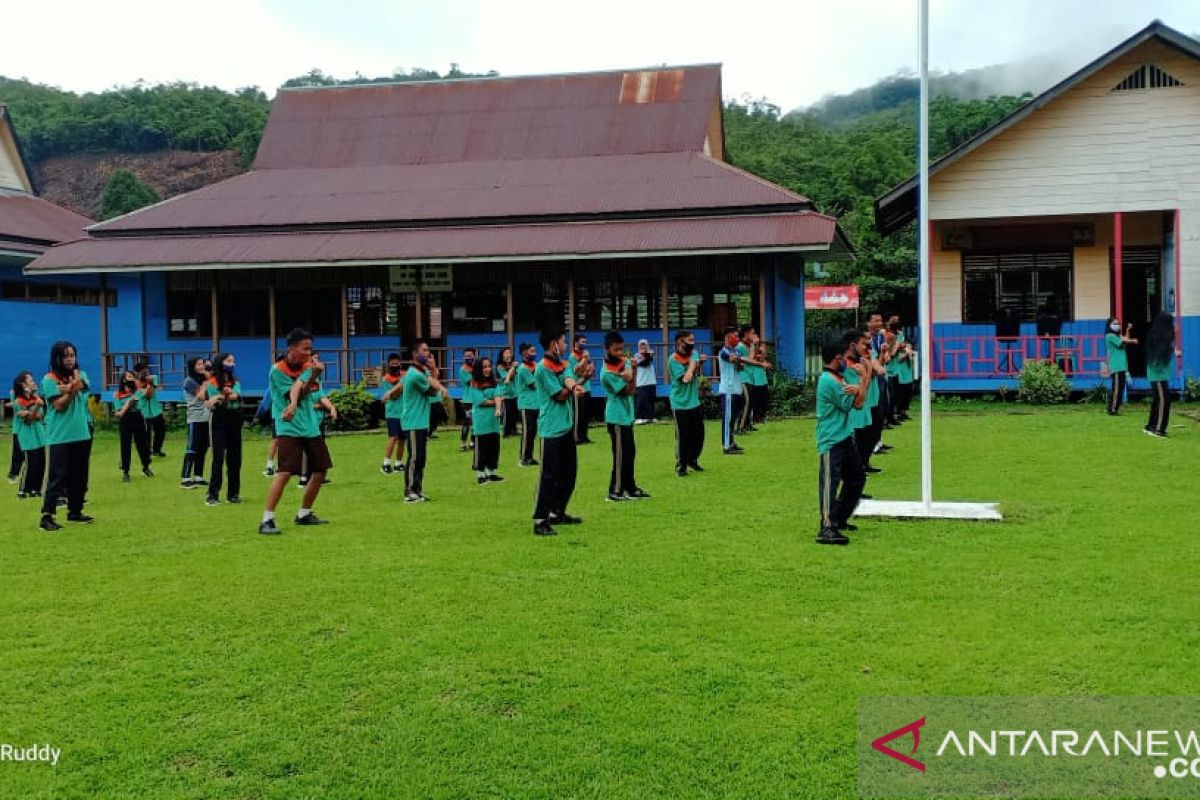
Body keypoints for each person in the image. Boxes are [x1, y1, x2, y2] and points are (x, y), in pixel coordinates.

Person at [259, 329, 334, 534]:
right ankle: (267, 519)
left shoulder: (308, 365)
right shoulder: (278, 370)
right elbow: (298, 392)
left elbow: (307, 388)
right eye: (305, 348)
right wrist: (292, 406)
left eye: (311, 348)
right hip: (288, 427)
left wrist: (314, 374)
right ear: (292, 349)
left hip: (309, 425)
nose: (309, 352)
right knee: (284, 472)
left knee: (320, 469)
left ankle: (304, 513)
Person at [815, 340, 869, 546]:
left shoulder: (840, 378)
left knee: (856, 479)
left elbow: (858, 397)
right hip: (831, 440)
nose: (848, 361)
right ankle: (826, 527)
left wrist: (859, 385)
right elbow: (857, 404)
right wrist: (863, 380)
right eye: (845, 357)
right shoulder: (829, 381)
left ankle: (839, 517)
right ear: (837, 358)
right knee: (830, 483)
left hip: (845, 437)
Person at [532, 328, 584, 536]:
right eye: (563, 342)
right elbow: (559, 396)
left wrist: (576, 385)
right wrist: (573, 388)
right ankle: (540, 519)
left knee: (569, 474)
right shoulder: (542, 369)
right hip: (550, 429)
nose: (565, 345)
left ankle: (558, 512)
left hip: (566, 427)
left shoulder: (564, 364)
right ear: (553, 344)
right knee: (548, 476)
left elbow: (569, 379)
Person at [39, 341, 93, 531]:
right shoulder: (48, 379)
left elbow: (82, 384)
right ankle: (47, 516)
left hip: (81, 432)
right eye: (66, 356)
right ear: (57, 358)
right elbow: (59, 405)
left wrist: (69, 388)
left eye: (72, 355)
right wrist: (71, 390)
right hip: (60, 435)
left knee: (80, 474)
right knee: (57, 476)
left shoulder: (81, 374)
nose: (70, 359)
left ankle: (75, 510)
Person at [600, 331, 649, 502]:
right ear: (606, 349)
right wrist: (631, 375)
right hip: (616, 418)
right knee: (620, 456)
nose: (620, 353)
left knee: (630, 453)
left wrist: (632, 371)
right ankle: (615, 491)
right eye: (616, 350)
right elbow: (629, 390)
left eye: (621, 349)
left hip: (626, 416)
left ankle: (630, 487)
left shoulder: (624, 362)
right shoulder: (606, 373)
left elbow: (631, 382)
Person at [400, 339, 449, 503]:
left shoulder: (422, 371)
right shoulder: (414, 374)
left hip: (421, 421)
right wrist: (437, 381)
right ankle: (409, 492)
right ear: (415, 354)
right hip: (413, 421)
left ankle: (417, 489)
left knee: (421, 457)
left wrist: (434, 373)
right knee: (414, 457)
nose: (427, 354)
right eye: (424, 350)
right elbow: (432, 390)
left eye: (428, 351)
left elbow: (433, 381)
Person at [205, 352, 244, 506]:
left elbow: (237, 395)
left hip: (234, 417)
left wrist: (225, 396)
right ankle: (212, 494)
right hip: (218, 419)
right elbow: (214, 401)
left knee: (235, 458)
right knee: (218, 458)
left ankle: (233, 494)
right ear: (221, 363)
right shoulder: (212, 381)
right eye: (228, 361)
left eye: (233, 361)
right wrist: (224, 396)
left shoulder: (235, 379)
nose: (232, 364)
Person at [668, 331, 707, 477]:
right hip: (680, 403)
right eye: (688, 341)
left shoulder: (694, 353)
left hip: (694, 401)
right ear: (679, 343)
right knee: (683, 436)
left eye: (692, 341)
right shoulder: (673, 360)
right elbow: (685, 379)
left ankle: (692, 459)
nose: (691, 344)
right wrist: (692, 366)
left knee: (698, 434)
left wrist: (696, 364)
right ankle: (681, 465)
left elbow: (694, 370)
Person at [843, 331, 882, 478]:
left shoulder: (861, 361)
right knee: (856, 446)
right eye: (863, 344)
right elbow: (856, 389)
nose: (866, 346)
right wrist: (868, 372)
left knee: (867, 441)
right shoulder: (848, 364)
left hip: (864, 409)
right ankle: (857, 473)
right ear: (853, 345)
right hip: (855, 413)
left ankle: (863, 466)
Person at [113, 369, 153, 482]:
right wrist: (119, 413)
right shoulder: (118, 394)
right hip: (125, 420)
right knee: (125, 445)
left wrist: (149, 384)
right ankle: (126, 471)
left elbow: (132, 402)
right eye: (128, 376)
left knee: (142, 444)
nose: (130, 378)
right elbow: (116, 411)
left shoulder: (138, 391)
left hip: (137, 417)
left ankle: (146, 466)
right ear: (123, 380)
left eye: (132, 376)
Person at [299, 371, 337, 488]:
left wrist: (331, 407)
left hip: (318, 421)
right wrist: (318, 406)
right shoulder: (300, 380)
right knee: (306, 449)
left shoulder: (317, 381)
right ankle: (304, 477)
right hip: (306, 422)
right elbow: (301, 401)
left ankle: (317, 476)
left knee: (318, 449)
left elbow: (322, 397)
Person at [470, 356, 505, 484]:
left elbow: (499, 395)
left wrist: (497, 402)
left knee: (493, 448)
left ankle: (491, 473)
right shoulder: (474, 383)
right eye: (484, 367)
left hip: (493, 423)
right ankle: (480, 475)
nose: (488, 369)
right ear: (479, 368)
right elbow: (480, 401)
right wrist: (496, 403)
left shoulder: (494, 381)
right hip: (481, 422)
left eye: (489, 366)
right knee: (481, 449)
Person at [11, 371, 46, 499]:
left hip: (39, 434)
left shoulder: (36, 398)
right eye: (30, 380)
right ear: (23, 384)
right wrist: (36, 408)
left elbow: (40, 416)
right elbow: (29, 420)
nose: (33, 382)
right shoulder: (18, 401)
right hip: (27, 437)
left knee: (41, 462)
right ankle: (23, 489)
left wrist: (30, 412)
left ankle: (36, 489)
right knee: (31, 462)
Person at [1144, 312, 1178, 438]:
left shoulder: (1157, 335)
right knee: (1164, 401)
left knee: (1157, 400)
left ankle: (1151, 426)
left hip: (1157, 373)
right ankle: (1159, 429)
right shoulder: (1161, 338)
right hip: (1158, 375)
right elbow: (1158, 358)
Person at [180, 357, 211, 489]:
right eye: (198, 364)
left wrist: (207, 378)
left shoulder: (202, 379)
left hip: (206, 417)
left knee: (203, 447)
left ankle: (198, 476)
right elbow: (202, 396)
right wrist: (206, 380)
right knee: (192, 448)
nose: (201, 366)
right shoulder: (189, 381)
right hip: (195, 418)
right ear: (192, 366)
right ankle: (185, 478)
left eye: (202, 363)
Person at [717, 327, 745, 455]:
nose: (738, 339)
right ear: (728, 337)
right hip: (727, 390)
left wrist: (738, 360)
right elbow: (733, 360)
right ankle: (726, 446)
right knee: (727, 418)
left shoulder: (736, 351)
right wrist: (737, 360)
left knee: (733, 418)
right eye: (735, 336)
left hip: (736, 388)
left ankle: (731, 442)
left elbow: (740, 367)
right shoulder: (723, 352)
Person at [380, 352, 407, 475]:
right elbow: (394, 395)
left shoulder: (405, 375)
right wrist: (401, 384)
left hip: (404, 412)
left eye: (397, 363)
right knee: (393, 437)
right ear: (388, 365)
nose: (395, 365)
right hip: (392, 413)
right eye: (392, 364)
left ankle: (398, 463)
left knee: (402, 439)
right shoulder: (386, 379)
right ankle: (385, 463)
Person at [133, 361, 167, 457]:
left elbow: (151, 393)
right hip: (143, 411)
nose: (145, 374)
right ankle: (147, 451)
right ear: (137, 373)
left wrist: (149, 382)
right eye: (142, 372)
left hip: (155, 409)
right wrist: (146, 383)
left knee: (161, 430)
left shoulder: (153, 378)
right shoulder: (136, 383)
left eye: (146, 371)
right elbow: (147, 396)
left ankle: (157, 449)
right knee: (146, 433)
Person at [1105, 317, 1138, 415]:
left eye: (1118, 323)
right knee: (1116, 389)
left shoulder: (1117, 336)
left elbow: (1125, 339)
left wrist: (1128, 330)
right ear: (1110, 325)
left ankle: (1115, 408)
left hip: (1122, 366)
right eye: (1115, 323)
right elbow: (1122, 342)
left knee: (1120, 388)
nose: (1117, 325)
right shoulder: (1110, 336)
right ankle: (1112, 409)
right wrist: (1132, 341)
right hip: (1116, 366)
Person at [515, 342, 540, 467]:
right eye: (532, 351)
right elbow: (535, 384)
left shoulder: (535, 365)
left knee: (533, 431)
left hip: (536, 403)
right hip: (526, 404)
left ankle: (530, 457)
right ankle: (524, 458)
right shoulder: (523, 369)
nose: (534, 354)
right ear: (524, 353)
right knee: (527, 432)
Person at [568, 334, 596, 444]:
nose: (584, 344)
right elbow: (577, 371)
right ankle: (576, 437)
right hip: (577, 388)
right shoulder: (572, 356)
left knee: (585, 415)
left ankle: (584, 436)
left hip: (587, 387)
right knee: (578, 415)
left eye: (585, 342)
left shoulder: (585, 354)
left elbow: (587, 370)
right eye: (582, 342)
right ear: (576, 342)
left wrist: (590, 369)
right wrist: (585, 360)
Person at [497, 347, 520, 437]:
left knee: (514, 412)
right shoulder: (500, 366)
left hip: (515, 392)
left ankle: (514, 430)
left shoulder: (515, 365)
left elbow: (515, 375)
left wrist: (513, 367)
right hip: (506, 393)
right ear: (502, 355)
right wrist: (513, 367)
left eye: (509, 353)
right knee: (508, 413)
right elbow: (507, 377)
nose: (508, 354)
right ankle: (506, 432)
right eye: (506, 353)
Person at [633, 339, 657, 425]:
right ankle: (638, 417)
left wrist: (649, 355)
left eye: (645, 345)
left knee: (650, 400)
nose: (643, 347)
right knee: (641, 401)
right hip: (641, 382)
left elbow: (649, 360)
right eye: (641, 345)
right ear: (639, 347)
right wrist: (649, 355)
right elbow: (644, 363)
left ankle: (650, 417)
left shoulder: (649, 355)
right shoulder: (637, 355)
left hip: (651, 381)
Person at [458, 347, 477, 452]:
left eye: (470, 356)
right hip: (467, 400)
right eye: (466, 356)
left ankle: (473, 442)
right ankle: (462, 443)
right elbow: (472, 381)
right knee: (467, 422)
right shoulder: (462, 370)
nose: (468, 358)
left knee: (476, 422)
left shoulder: (476, 367)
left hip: (476, 399)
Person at [6, 385, 24, 485]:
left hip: (31, 430)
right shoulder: (14, 392)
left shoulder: (33, 393)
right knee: (17, 453)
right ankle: (13, 475)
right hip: (18, 429)